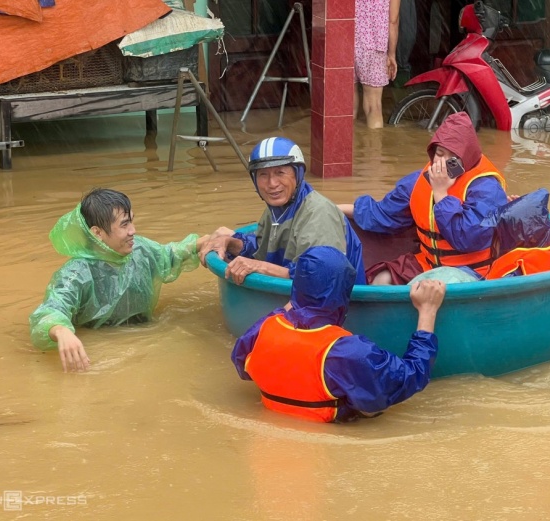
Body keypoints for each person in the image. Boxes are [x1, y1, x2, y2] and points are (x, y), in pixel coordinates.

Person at [231, 246, 446, 423]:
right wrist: (427, 311)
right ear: (343, 295)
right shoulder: (346, 352)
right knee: (375, 401)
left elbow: (242, 366)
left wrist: (296, 302)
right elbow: (413, 376)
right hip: (332, 431)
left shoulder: (264, 329)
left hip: (273, 428)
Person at [29, 188, 215, 372]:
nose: (133, 231)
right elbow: (50, 311)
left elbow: (171, 255)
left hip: (146, 349)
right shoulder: (77, 273)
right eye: (124, 225)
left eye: (132, 221)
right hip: (102, 358)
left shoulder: (141, 251)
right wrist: (62, 332)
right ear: (97, 233)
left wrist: (207, 241)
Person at [338, 111, 508, 284]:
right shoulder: (418, 181)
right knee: (381, 280)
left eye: (453, 158)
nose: (443, 163)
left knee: (428, 287)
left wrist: (441, 194)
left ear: (467, 157)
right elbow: (383, 214)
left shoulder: (487, 189)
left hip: (472, 271)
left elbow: (466, 239)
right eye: (440, 154)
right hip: (428, 263)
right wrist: (334, 209)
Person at [198, 137, 366, 284]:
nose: (272, 183)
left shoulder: (318, 213)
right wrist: (228, 242)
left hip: (336, 308)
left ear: (298, 175)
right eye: (263, 175)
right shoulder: (275, 210)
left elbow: (319, 278)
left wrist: (260, 267)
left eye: (280, 173)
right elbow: (260, 249)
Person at [353, 0, 401, 129]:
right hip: (373, 47)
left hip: (345, 43)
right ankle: (373, 148)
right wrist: (391, 54)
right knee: (373, 106)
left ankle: (347, 146)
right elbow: (393, 21)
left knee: (347, 104)